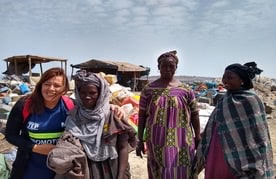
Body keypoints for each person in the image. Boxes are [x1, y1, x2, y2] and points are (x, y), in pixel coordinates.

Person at [5, 67, 125, 179]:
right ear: (40, 85)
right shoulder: (25, 105)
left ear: (64, 89)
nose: (51, 89)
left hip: (63, 171)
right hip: (30, 170)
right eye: (47, 84)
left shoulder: (72, 106)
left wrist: (112, 107)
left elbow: (94, 109)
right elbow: (10, 135)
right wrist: (35, 148)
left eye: (57, 85)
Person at [47, 70, 136, 179]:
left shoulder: (113, 115)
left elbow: (123, 147)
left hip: (113, 168)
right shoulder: (74, 116)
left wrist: (121, 175)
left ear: (101, 94)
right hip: (87, 170)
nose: (87, 97)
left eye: (92, 93)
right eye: (83, 93)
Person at [192, 62, 274, 178]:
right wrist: (203, 136)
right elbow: (214, 122)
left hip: (242, 153)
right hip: (218, 147)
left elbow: (259, 132)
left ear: (242, 80)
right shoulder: (224, 99)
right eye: (224, 77)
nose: (225, 80)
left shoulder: (251, 100)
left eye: (230, 77)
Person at [136, 50, 201, 179]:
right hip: (156, 139)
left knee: (183, 170)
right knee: (159, 171)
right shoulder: (148, 90)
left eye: (171, 66)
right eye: (164, 66)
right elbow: (142, 116)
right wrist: (139, 140)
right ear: (158, 67)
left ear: (176, 67)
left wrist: (198, 136)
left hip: (182, 139)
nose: (167, 69)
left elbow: (194, 114)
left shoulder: (185, 90)